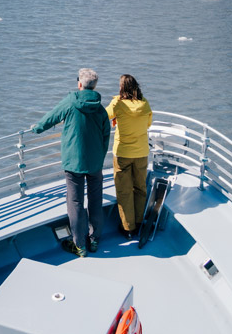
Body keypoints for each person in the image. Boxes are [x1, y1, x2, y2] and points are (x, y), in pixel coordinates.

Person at [32, 68, 110, 257]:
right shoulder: (100, 109)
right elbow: (105, 136)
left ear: (79, 84)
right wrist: (99, 157)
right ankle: (94, 240)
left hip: (73, 162)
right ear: (95, 86)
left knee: (75, 202)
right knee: (96, 200)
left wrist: (36, 129)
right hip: (95, 162)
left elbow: (51, 117)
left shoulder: (70, 102)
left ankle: (79, 246)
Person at [106, 75, 153, 238]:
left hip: (123, 153)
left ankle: (128, 227)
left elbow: (104, 117)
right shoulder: (144, 103)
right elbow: (148, 123)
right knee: (140, 187)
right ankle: (139, 222)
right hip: (141, 152)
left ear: (121, 88)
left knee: (124, 191)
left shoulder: (117, 103)